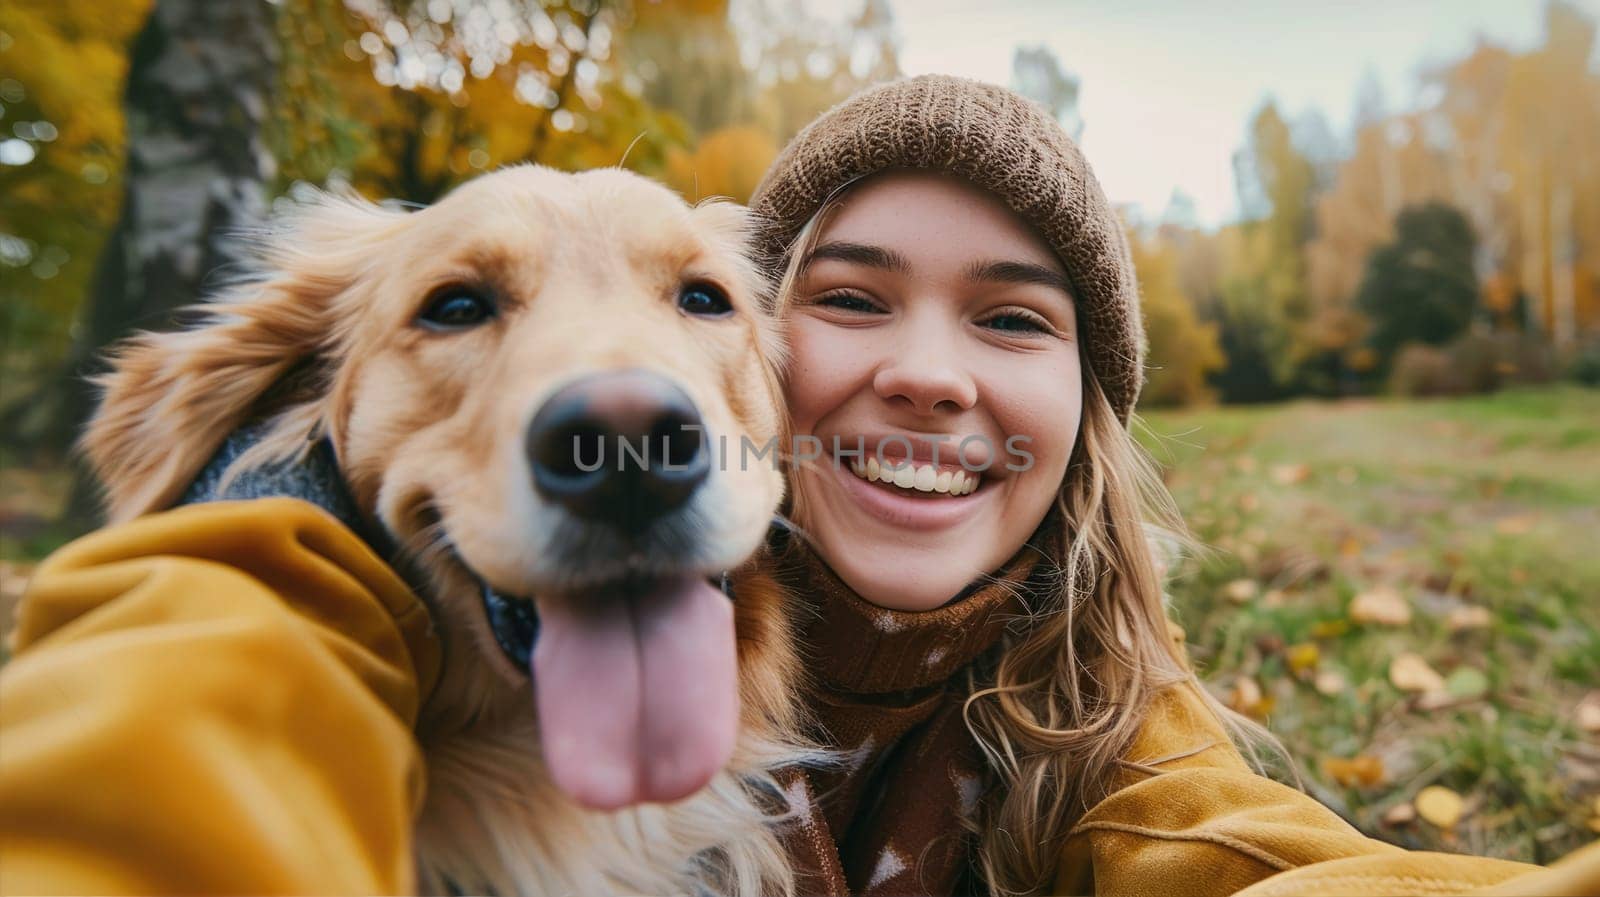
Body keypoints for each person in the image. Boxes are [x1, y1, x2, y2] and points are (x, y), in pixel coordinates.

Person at [1, 75, 1595, 897]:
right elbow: (198, 706)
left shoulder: (1085, 700)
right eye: (460, 304)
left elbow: (1262, 859)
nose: (612, 396)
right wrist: (245, 509)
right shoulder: (313, 608)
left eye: (700, 298)